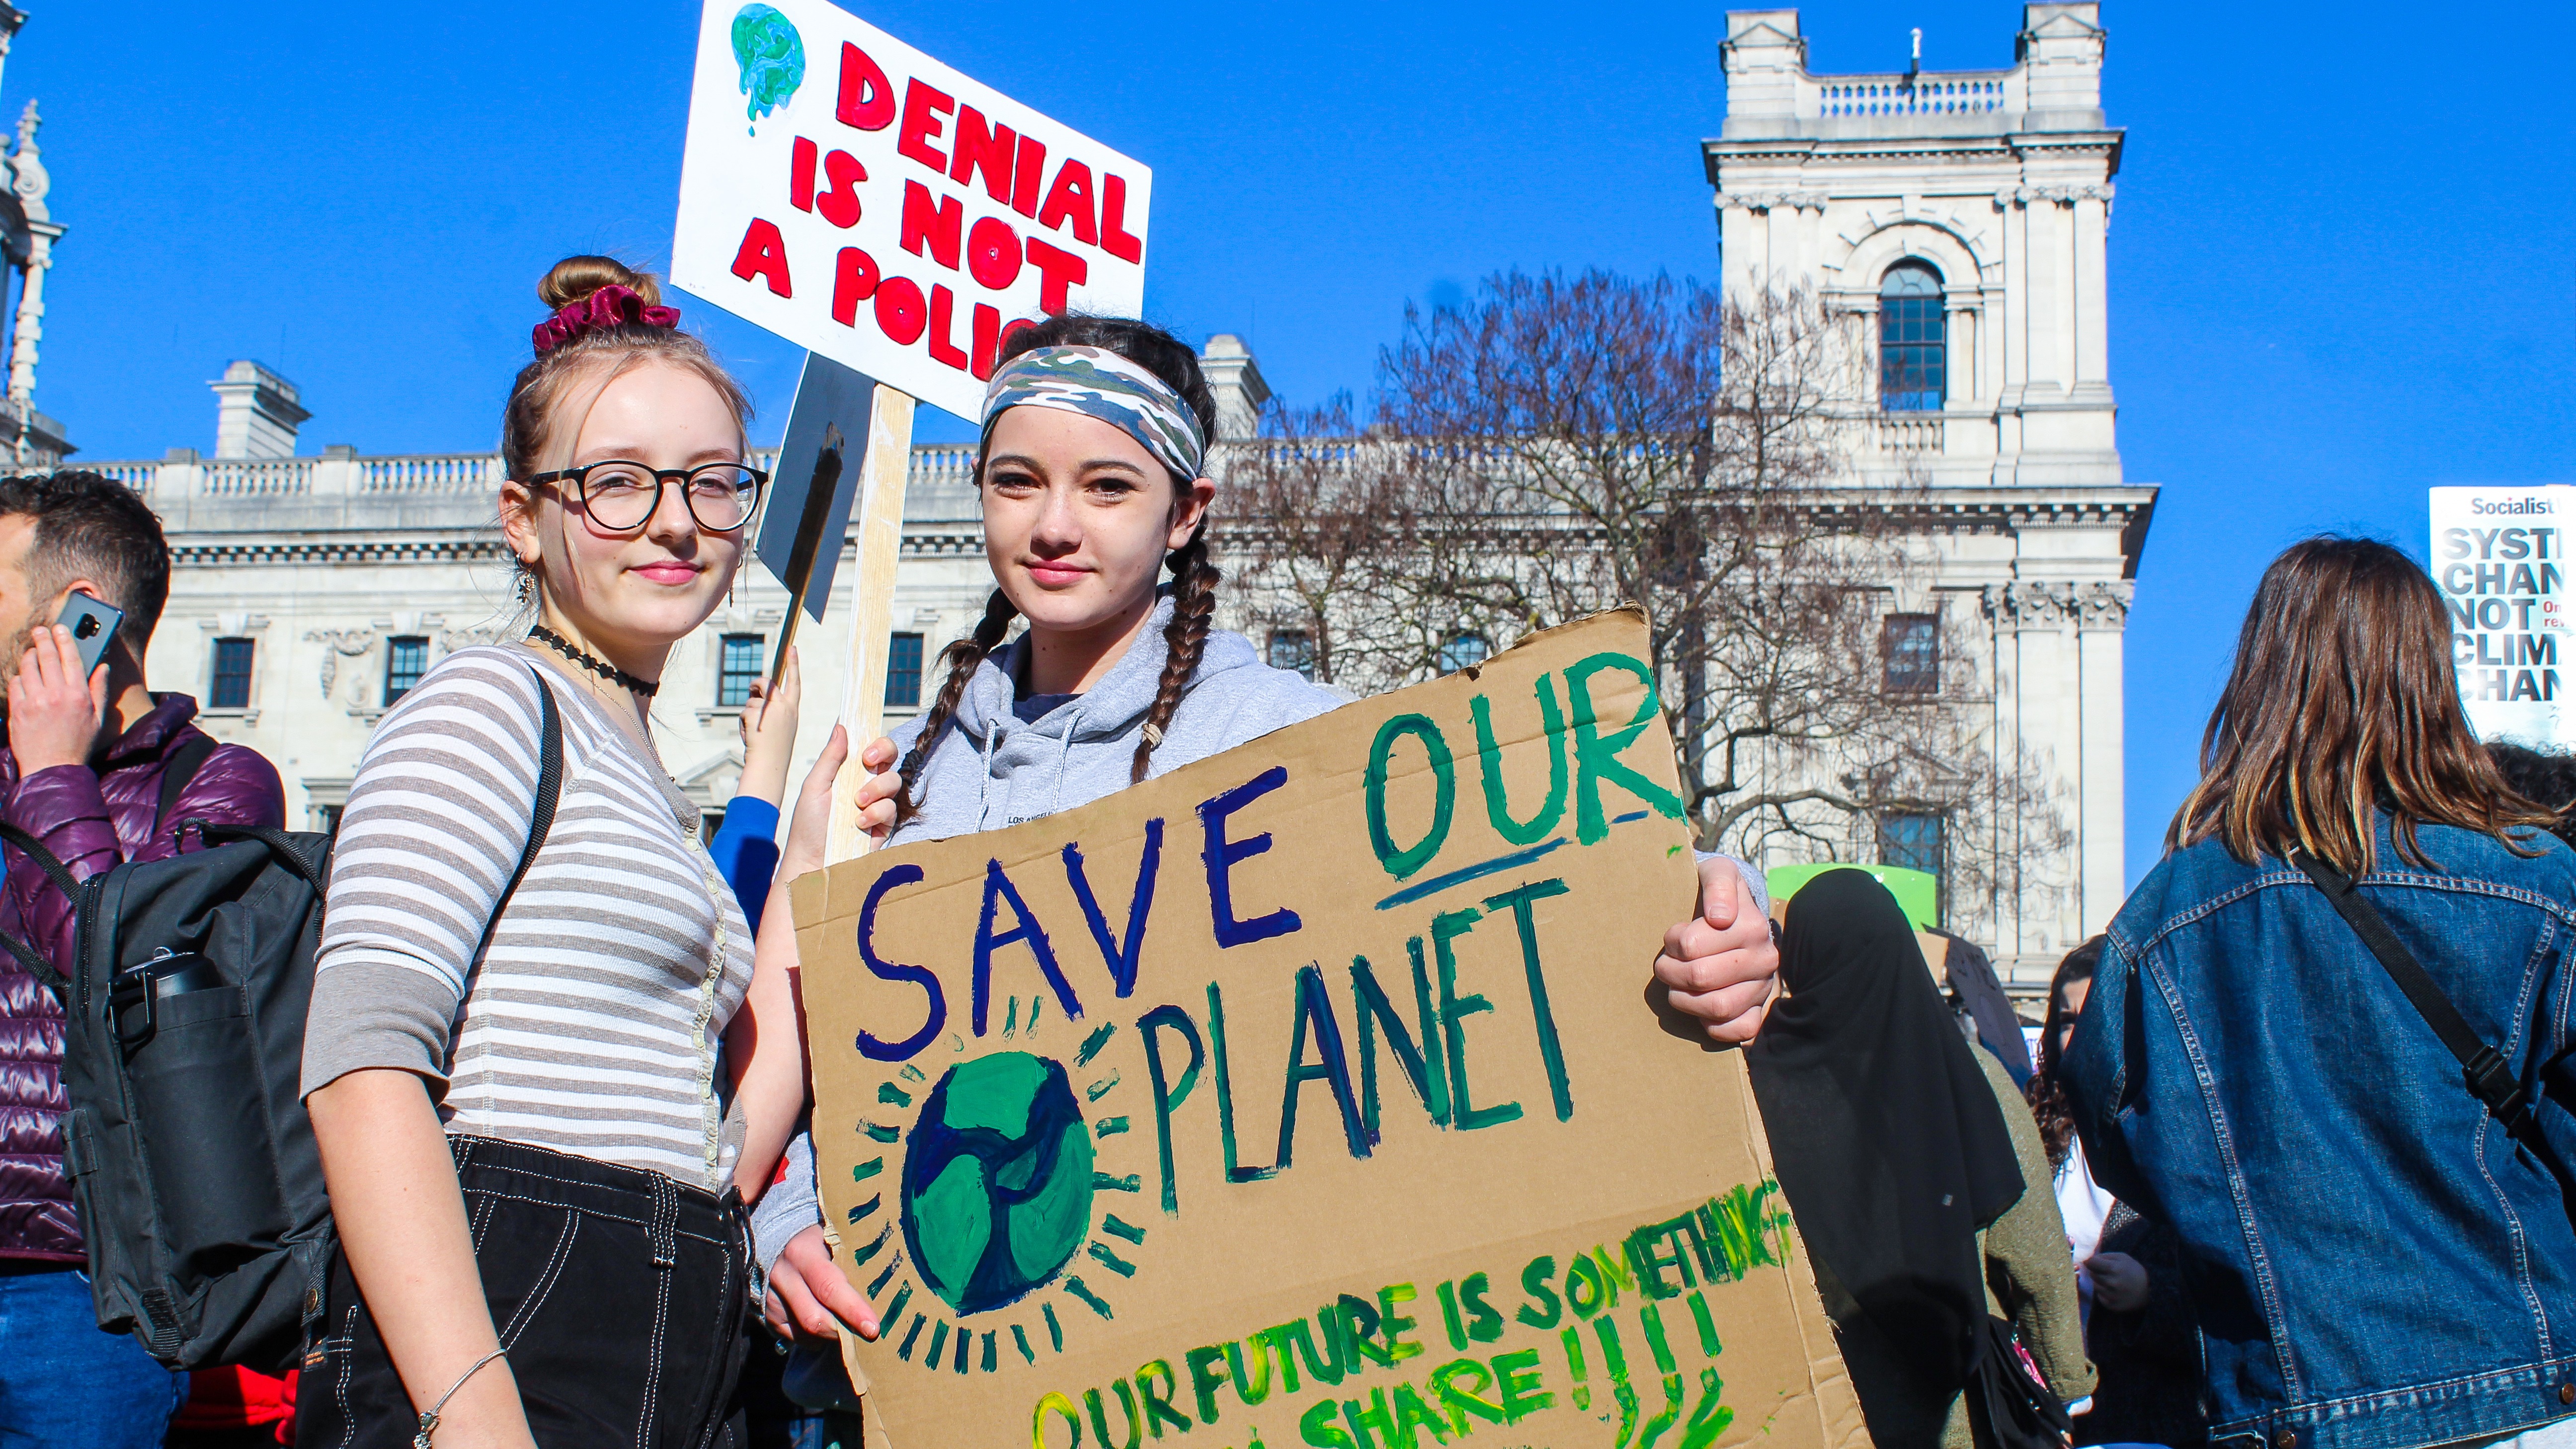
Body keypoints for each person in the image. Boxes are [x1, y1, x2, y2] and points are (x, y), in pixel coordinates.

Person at [748, 315, 1784, 1379]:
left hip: (1204, 1375)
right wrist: (781, 1224)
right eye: (1017, 482)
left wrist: (1717, 899)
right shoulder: (898, 782)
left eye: (1107, 488)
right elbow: (808, 1057)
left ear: (1186, 512)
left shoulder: (1281, 735)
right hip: (959, 1364)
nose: (1055, 525)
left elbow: (1546, 843)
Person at [294, 257, 831, 1449]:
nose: (678, 519)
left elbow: (722, 1148)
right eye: (618, 483)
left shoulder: (634, 765)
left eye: (710, 480)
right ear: (522, 518)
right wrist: (472, 1409)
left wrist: (803, 862)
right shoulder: (486, 704)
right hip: (514, 1304)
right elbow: (359, 1069)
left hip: (680, 1299)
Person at [2066, 536, 2576, 1449]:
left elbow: (2115, 1140)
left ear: (2259, 676)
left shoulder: (2163, 918)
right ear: (2428, 676)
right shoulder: (2532, 882)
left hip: (2293, 1404)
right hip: (2525, 1386)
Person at [0, 470, 286, 1449]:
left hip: (87, 1282)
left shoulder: (220, 785)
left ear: (81, 617)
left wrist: (51, 777)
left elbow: (111, 965)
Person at [1748, 868, 2091, 1449]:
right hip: (1949, 1409)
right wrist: (2065, 1381)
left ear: (1796, 958)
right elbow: (2033, 1255)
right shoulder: (1965, 1071)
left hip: (1818, 1410)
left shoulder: (1758, 1086)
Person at [2027, 938, 2206, 1449]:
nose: (2078, 1036)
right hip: (2049, 1422)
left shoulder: (2188, 1139)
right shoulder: (2032, 1134)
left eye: (2094, 1018)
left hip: (2149, 1424)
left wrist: (2152, 1296)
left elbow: (2244, 1300)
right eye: (2066, 1020)